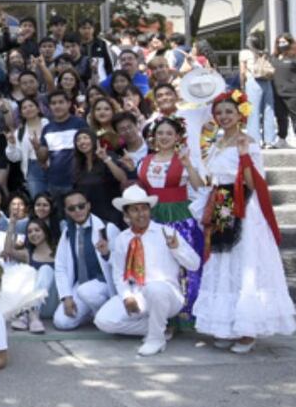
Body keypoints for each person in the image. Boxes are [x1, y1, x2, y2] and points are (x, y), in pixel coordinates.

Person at [193, 91, 296, 352]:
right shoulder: (216, 143)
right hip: (221, 205)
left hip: (243, 207)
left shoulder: (247, 142)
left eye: (229, 111)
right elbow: (211, 178)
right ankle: (226, 325)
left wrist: (243, 156)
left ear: (241, 114)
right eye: (219, 112)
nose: (224, 116)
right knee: (222, 263)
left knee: (243, 262)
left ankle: (247, 330)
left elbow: (253, 183)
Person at [93, 186, 202, 356]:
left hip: (167, 294)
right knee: (103, 320)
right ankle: (161, 328)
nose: (141, 214)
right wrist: (127, 296)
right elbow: (119, 272)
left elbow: (194, 264)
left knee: (155, 288)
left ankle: (155, 339)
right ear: (127, 215)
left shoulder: (167, 232)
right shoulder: (123, 239)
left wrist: (177, 249)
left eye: (144, 208)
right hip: (138, 294)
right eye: (135, 210)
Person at [138, 117, 206, 327]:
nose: (164, 137)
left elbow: (200, 187)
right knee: (155, 265)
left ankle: (185, 312)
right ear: (154, 137)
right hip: (153, 217)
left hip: (179, 217)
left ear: (177, 137)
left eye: (169, 133)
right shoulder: (145, 161)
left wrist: (188, 166)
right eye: (160, 133)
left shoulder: (183, 159)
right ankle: (161, 315)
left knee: (184, 266)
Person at [53, 190, 115, 331]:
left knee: (86, 291)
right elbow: (60, 266)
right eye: (72, 208)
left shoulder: (107, 229)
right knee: (61, 322)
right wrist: (66, 296)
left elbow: (120, 263)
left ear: (88, 206)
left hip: (103, 286)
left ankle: (103, 316)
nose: (77, 211)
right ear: (67, 211)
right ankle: (90, 313)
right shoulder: (68, 232)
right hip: (80, 286)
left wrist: (106, 254)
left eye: (81, 206)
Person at [36, 90, 88, 203]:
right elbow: (42, 158)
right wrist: (38, 148)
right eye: (53, 103)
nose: (57, 106)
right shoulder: (47, 129)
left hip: (76, 181)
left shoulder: (79, 124)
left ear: (69, 104)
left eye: (61, 102)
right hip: (54, 182)